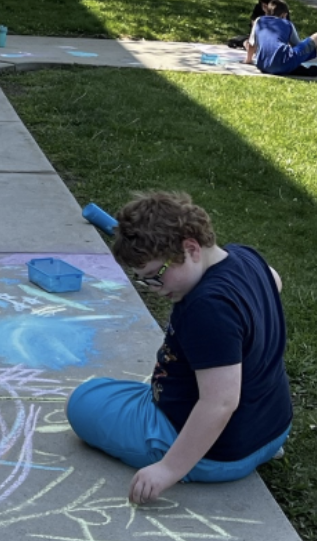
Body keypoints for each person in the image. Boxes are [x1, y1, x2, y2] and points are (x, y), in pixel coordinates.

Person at [66, 192, 292, 505]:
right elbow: (274, 280)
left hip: (219, 453)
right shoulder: (245, 258)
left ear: (190, 248)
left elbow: (221, 402)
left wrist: (169, 468)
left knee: (84, 401)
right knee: (114, 392)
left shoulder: (208, 308)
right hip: (272, 430)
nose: (154, 290)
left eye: (155, 277)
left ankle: (180, 455)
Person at [245, 0, 317, 78]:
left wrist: (248, 60)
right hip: (282, 63)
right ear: (284, 14)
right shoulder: (287, 24)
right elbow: (297, 46)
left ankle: (295, 69)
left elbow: (251, 44)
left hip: (263, 65)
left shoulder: (259, 21)